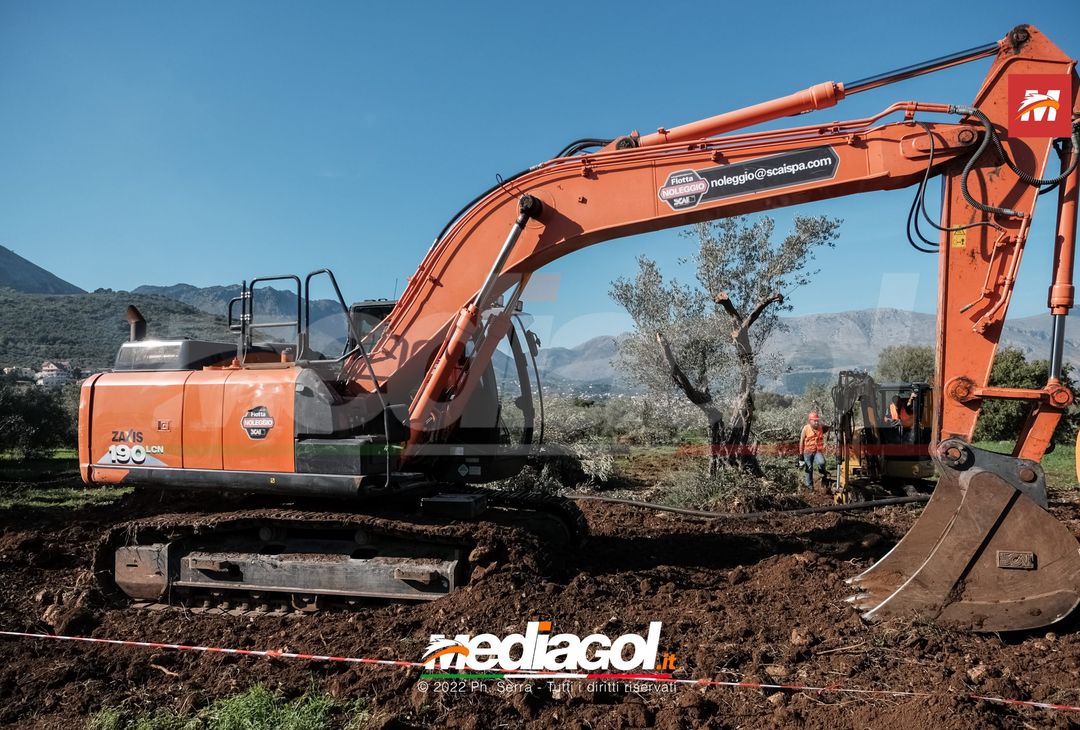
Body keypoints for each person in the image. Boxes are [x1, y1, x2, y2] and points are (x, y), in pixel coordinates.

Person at [798, 411, 829, 490]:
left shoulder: (821, 427)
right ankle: (810, 486)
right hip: (807, 452)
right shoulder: (805, 428)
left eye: (817, 420)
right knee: (809, 468)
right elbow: (801, 441)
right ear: (810, 421)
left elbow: (829, 427)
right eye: (814, 420)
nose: (816, 422)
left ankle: (822, 472)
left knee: (822, 462)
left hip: (817, 451)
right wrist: (801, 454)